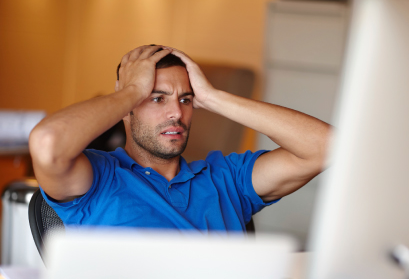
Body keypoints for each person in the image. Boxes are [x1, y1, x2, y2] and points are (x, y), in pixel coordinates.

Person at [29, 45, 331, 232]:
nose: (176, 112)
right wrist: (132, 92)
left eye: (186, 100)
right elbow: (47, 144)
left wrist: (214, 98)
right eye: (157, 99)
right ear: (126, 109)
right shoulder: (98, 178)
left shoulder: (227, 179)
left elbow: (326, 147)